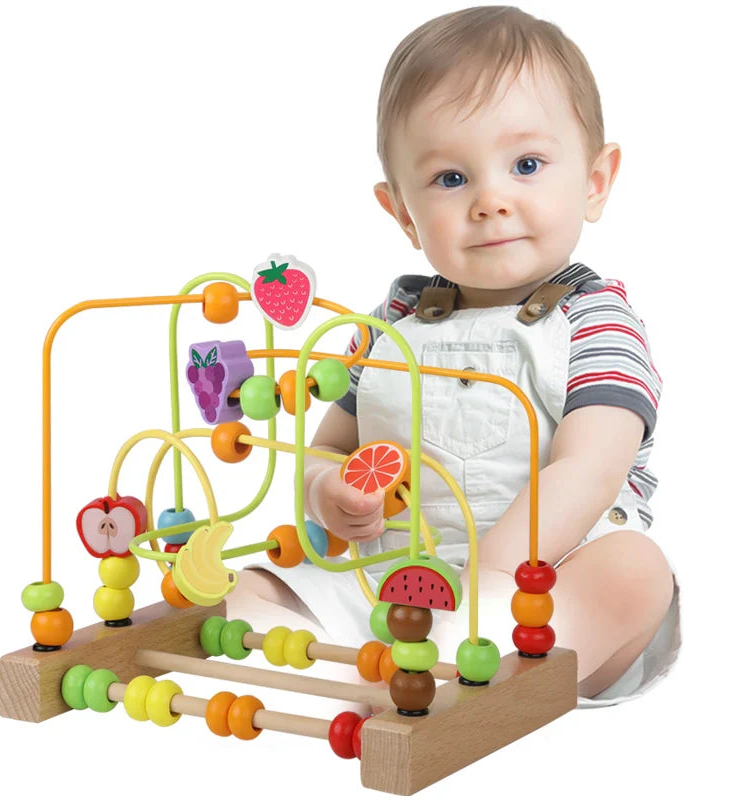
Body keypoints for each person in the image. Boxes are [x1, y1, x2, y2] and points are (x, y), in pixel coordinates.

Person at [226, 5, 680, 707]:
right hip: (397, 582)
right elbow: (330, 447)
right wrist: (326, 490)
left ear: (595, 182)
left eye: (526, 165)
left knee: (634, 570)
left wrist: (488, 580)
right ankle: (352, 680)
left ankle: (455, 671)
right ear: (403, 213)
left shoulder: (595, 322)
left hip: (539, 590)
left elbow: (589, 468)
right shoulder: (389, 327)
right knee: (248, 590)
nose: (490, 201)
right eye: (449, 179)